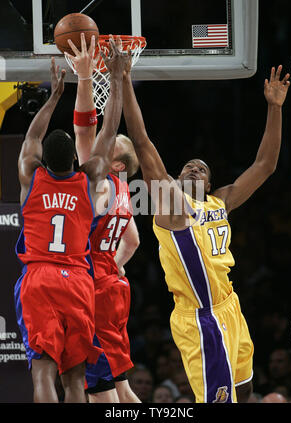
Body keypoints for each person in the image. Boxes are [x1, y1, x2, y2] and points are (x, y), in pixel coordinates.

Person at [122, 61, 290, 403]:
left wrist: (274, 108)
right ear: (176, 180)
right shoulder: (171, 206)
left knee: (244, 392)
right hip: (201, 320)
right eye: (188, 166)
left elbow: (265, 165)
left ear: (211, 184)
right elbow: (142, 142)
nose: (195, 167)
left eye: (202, 168)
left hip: (231, 306)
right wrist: (124, 78)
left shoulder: (220, 202)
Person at [14, 35, 128, 403]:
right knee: (75, 379)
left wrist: (53, 96)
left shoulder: (31, 177)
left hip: (41, 277)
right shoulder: (90, 178)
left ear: (43, 161)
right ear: (75, 163)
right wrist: (115, 79)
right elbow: (108, 132)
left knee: (43, 374)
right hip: (78, 280)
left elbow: (31, 137)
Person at [68, 35, 140, 403]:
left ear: (114, 164)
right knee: (122, 390)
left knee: (101, 395)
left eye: (110, 146)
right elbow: (133, 242)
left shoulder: (99, 182)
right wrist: (117, 265)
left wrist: (84, 77)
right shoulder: (124, 192)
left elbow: (86, 127)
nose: (101, 143)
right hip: (113, 288)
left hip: (94, 288)